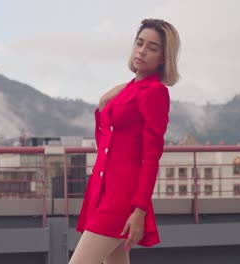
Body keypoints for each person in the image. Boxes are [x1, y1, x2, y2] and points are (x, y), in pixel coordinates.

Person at [69, 18, 181, 264]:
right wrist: (102, 104)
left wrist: (139, 210)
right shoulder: (127, 90)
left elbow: (151, 157)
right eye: (140, 43)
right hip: (102, 190)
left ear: (163, 58)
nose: (142, 51)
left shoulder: (155, 92)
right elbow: (105, 145)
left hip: (121, 199)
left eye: (152, 48)